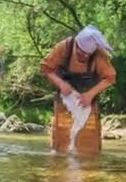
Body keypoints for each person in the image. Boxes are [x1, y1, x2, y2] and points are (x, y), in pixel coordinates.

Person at [41, 25, 116, 153]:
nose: (83, 57)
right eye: (80, 53)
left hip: (88, 103)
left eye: (87, 55)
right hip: (64, 101)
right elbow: (45, 68)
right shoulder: (64, 47)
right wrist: (61, 83)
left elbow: (110, 78)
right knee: (61, 144)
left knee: (89, 146)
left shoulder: (98, 55)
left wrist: (90, 94)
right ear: (76, 44)